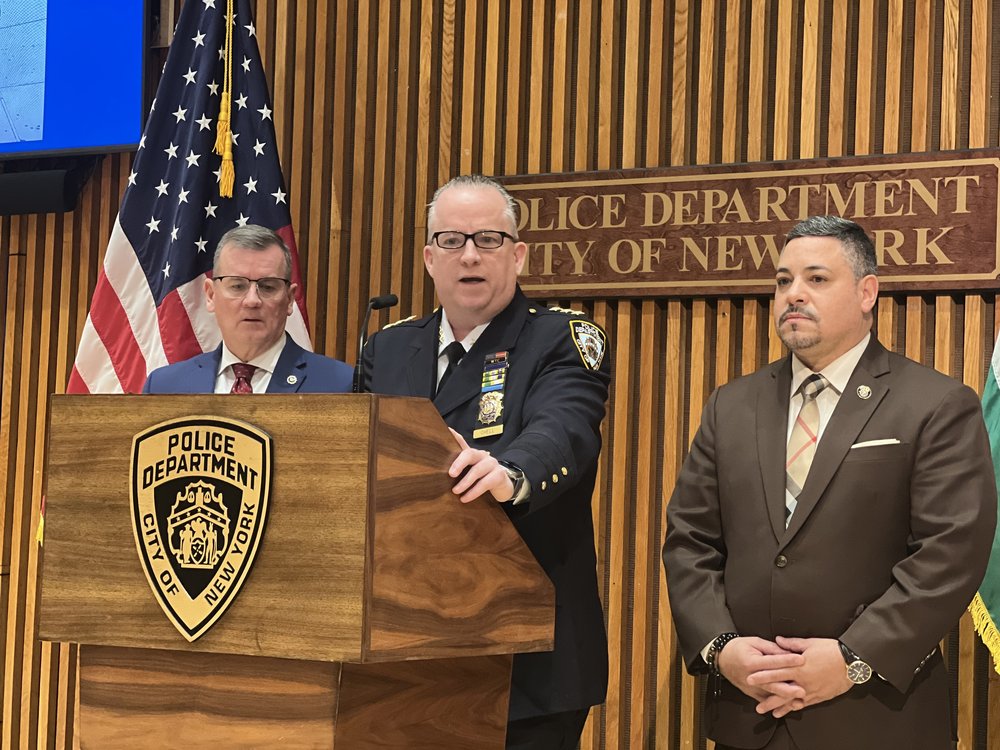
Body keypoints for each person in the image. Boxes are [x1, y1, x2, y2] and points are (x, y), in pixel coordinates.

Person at [662, 215, 997, 750]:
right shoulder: (733, 404)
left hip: (878, 719)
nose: (793, 294)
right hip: (750, 717)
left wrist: (852, 660)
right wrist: (722, 648)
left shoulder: (934, 404)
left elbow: (949, 553)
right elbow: (690, 540)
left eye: (816, 279)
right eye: (782, 281)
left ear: (867, 292)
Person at [362, 174, 611, 749]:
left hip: (524, 657)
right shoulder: (390, 347)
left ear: (518, 255)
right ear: (429, 258)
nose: (469, 255)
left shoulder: (562, 338)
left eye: (489, 240)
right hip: (404, 651)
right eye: (451, 241)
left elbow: (564, 429)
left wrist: (510, 471)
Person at [143, 225, 352, 394]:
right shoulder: (164, 387)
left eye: (268, 286)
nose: (252, 301)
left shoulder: (339, 385)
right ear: (210, 295)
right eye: (237, 286)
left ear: (289, 299)